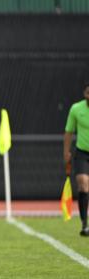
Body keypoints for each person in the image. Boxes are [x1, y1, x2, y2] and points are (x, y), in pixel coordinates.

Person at [64, 82, 89, 236]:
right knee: (83, 184)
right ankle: (84, 224)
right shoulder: (76, 109)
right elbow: (68, 132)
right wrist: (66, 152)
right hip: (82, 153)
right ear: (84, 94)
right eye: (88, 93)